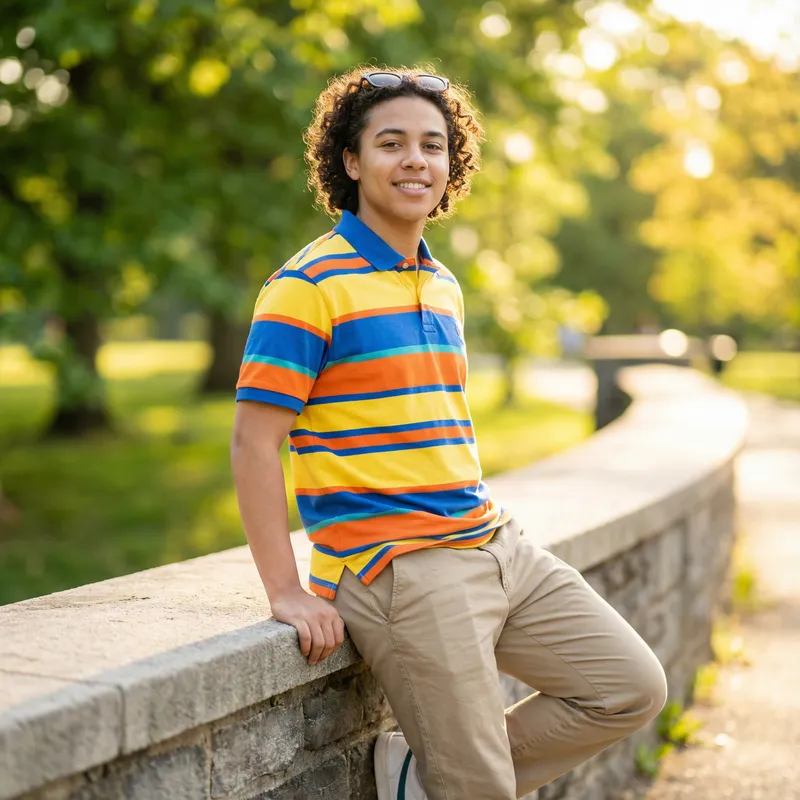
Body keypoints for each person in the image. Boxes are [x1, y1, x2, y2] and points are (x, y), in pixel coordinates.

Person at [231, 66, 667, 800]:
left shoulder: (441, 283)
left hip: (494, 542)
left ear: (450, 165)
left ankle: (425, 774)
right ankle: (458, 777)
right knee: (479, 790)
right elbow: (252, 442)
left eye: (433, 146)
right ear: (350, 160)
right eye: (392, 143)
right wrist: (285, 589)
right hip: (401, 569)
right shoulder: (306, 288)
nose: (415, 161)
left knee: (629, 688)